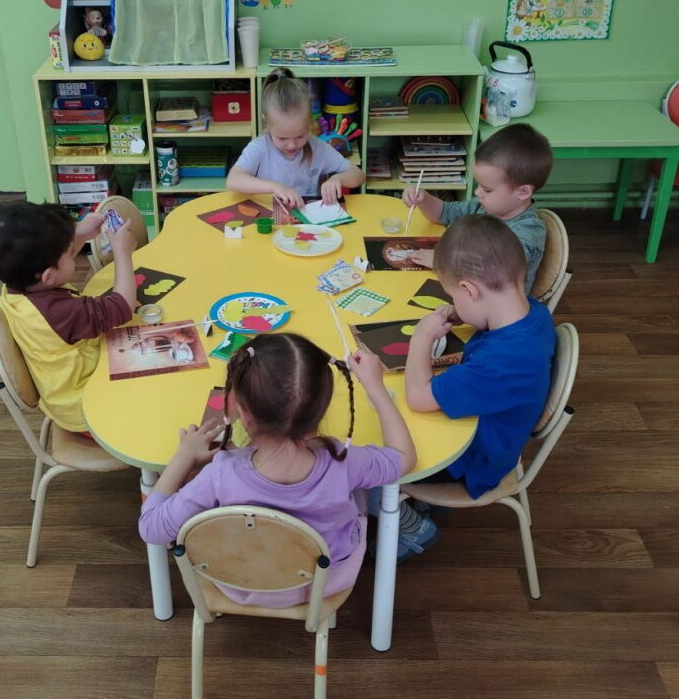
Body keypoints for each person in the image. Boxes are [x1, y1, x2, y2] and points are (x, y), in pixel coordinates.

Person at [138, 333, 417, 606]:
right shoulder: (344, 462)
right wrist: (375, 388)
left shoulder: (220, 474)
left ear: (243, 415)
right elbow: (404, 458)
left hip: (242, 582)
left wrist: (184, 457)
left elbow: (152, 528)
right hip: (325, 582)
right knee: (365, 492)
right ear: (321, 409)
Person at [392, 214, 556, 561]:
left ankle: (414, 528)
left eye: (455, 294)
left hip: (470, 458)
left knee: (366, 467)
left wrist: (421, 338)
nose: (454, 302)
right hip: (491, 433)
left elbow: (418, 397)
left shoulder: (501, 363)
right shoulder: (535, 315)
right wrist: (466, 313)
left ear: (470, 290)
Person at [0, 200, 137, 433]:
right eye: (68, 252)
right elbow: (123, 306)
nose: (72, 252)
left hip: (63, 396)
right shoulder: (60, 312)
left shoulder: (17, 284)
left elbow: (53, 267)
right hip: (89, 407)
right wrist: (122, 253)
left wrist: (79, 235)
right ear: (48, 276)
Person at [402, 122, 554, 293]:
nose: (477, 192)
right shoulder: (483, 207)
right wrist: (424, 199)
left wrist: (443, 261)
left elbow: (497, 272)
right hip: (465, 289)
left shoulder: (529, 230)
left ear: (523, 192)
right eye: (478, 185)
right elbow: (445, 212)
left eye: (487, 189)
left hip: (494, 305)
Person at [226, 67, 365, 207]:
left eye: (300, 136)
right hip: (269, 216)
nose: (292, 145)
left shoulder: (317, 147)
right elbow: (233, 180)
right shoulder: (260, 148)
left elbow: (358, 175)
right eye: (282, 138)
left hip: (308, 217)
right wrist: (274, 187)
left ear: (309, 122)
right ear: (266, 123)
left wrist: (338, 179)